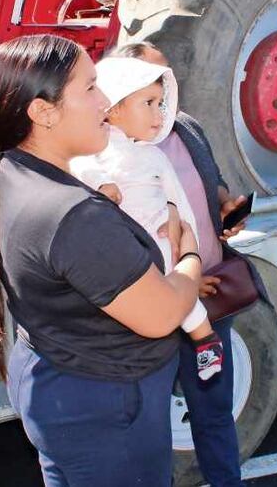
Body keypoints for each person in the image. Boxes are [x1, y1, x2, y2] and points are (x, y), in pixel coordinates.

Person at [0, 34, 204, 487]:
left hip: (69, 390)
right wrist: (189, 253)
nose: (105, 101)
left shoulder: (14, 172)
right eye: (90, 87)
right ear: (43, 111)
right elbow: (163, 313)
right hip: (104, 408)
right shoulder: (72, 214)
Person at [113, 42, 248, 487]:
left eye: (164, 86)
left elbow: (213, 183)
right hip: (151, 310)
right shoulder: (111, 156)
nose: (162, 98)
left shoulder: (186, 128)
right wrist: (187, 276)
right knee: (146, 428)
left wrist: (227, 208)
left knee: (214, 412)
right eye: (150, 90)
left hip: (209, 299)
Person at [72, 56, 225, 381]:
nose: (158, 114)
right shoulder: (91, 152)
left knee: (188, 308)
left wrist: (189, 248)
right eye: (148, 103)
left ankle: (207, 346)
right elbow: (78, 170)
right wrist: (101, 183)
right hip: (126, 258)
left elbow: (180, 204)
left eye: (160, 103)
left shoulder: (154, 155)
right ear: (113, 108)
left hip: (164, 246)